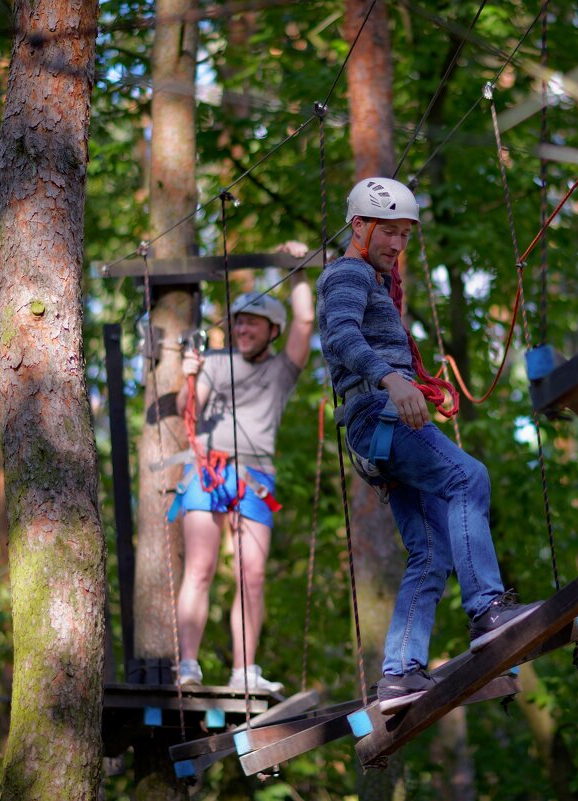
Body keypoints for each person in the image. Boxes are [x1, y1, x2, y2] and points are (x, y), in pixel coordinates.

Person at [316, 177, 540, 713]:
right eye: (388, 232)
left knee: (432, 551)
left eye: (404, 235)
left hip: (377, 427)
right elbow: (341, 336)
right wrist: (392, 379)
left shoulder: (372, 279)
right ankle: (488, 610)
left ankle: (399, 674)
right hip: (382, 412)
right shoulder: (346, 273)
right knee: (468, 477)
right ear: (359, 227)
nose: (397, 244)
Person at [169, 259, 313, 692]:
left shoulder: (281, 372)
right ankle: (188, 667)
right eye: (238, 324)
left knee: (252, 573)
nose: (242, 330)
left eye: (252, 324)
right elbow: (185, 410)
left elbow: (305, 319)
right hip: (209, 469)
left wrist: (299, 270)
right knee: (200, 567)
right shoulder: (215, 362)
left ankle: (244, 671)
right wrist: (190, 378)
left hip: (255, 476)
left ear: (272, 330)